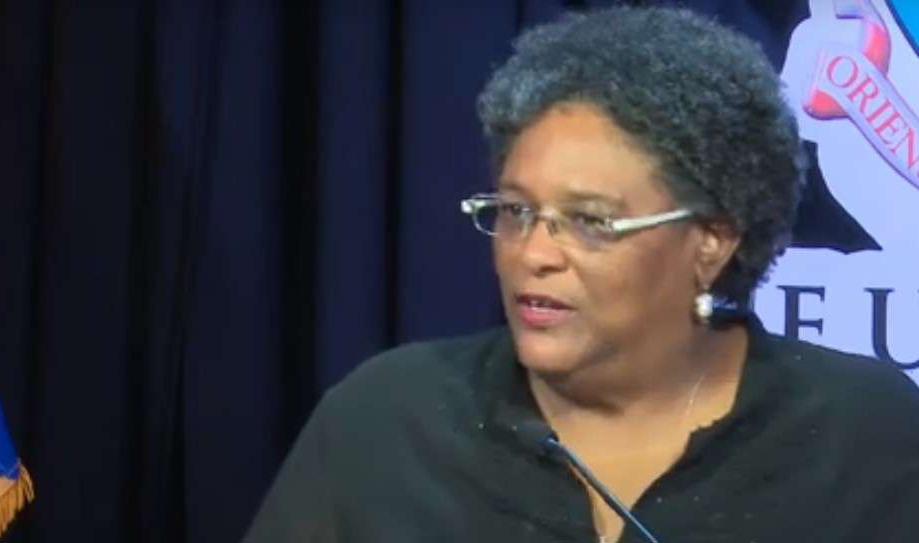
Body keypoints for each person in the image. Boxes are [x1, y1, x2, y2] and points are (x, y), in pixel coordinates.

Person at [244, 6, 919, 542]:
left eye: (591, 221)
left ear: (711, 241)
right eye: (516, 211)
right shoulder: (389, 420)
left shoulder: (864, 437)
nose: (532, 252)